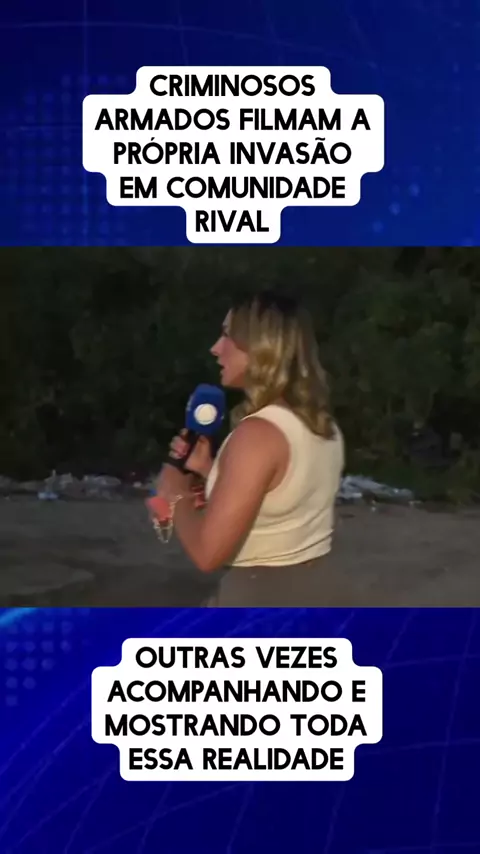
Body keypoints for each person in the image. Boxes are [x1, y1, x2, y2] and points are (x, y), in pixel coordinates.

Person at [154, 291, 345, 606]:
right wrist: (211, 470)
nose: (215, 348)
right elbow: (284, 499)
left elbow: (207, 553)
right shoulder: (321, 424)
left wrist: (175, 492)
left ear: (261, 347)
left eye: (227, 335)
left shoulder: (257, 435)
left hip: (261, 599)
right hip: (313, 590)